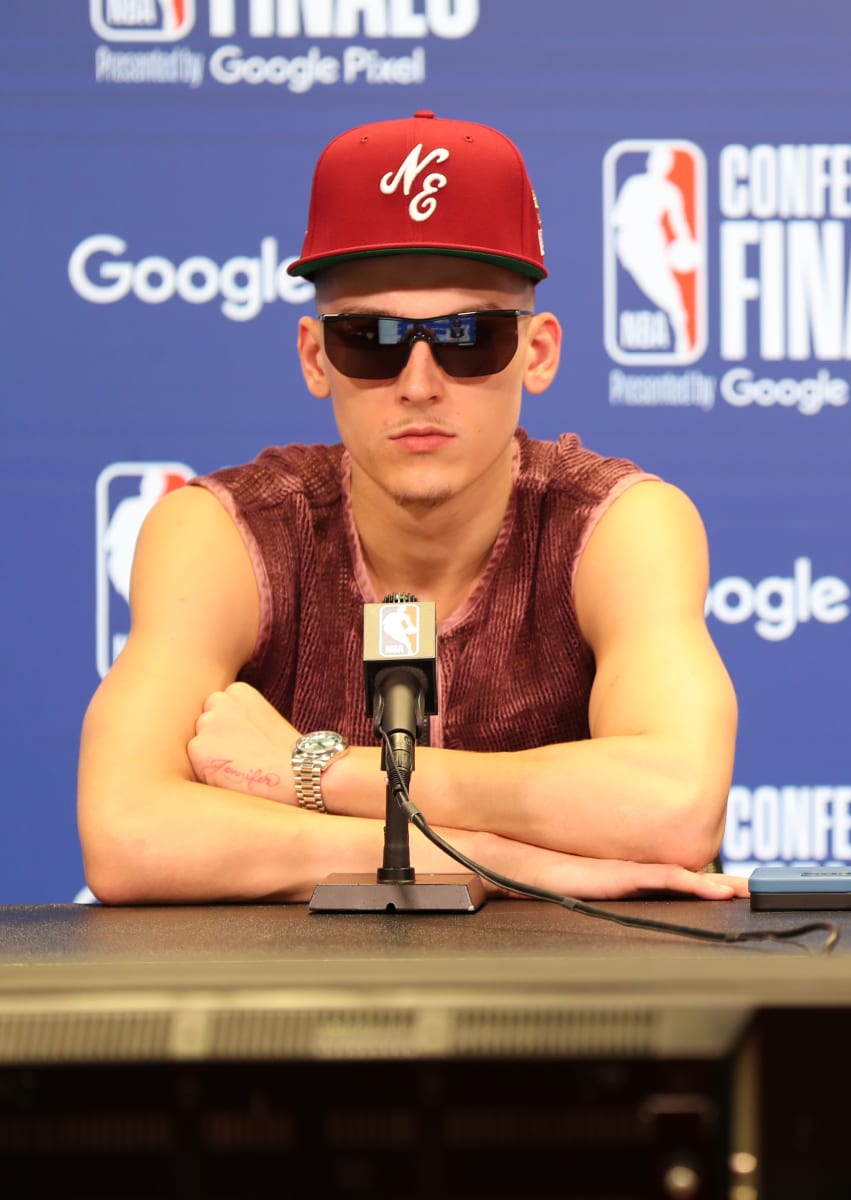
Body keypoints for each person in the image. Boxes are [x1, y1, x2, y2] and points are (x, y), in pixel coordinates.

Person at [77, 111, 740, 904]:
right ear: (316, 358)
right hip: (302, 1020)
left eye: (468, 336)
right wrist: (502, 862)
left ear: (538, 353)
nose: (420, 382)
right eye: (373, 337)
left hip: (572, 1014)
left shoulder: (615, 524)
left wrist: (315, 772)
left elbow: (674, 806)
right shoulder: (225, 532)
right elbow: (128, 834)